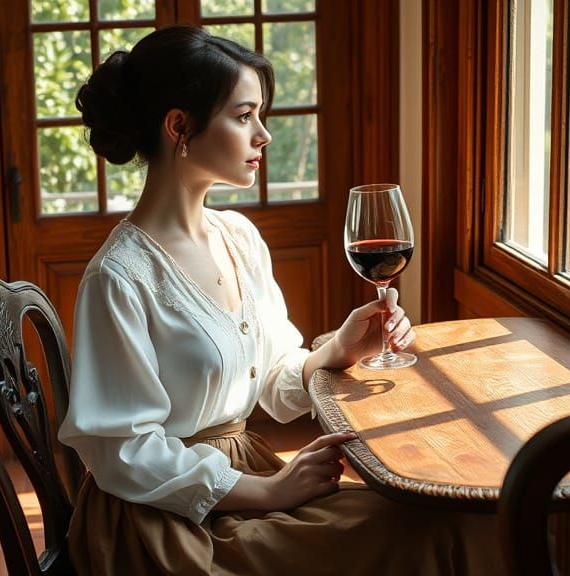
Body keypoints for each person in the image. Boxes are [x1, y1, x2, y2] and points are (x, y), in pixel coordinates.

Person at [58, 25, 496, 575]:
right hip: (164, 519)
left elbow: (270, 378)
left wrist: (337, 350)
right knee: (430, 535)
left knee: (451, 518)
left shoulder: (238, 238)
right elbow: (122, 452)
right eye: (244, 117)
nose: (263, 135)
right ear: (179, 126)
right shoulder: (120, 277)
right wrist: (268, 492)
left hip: (247, 479)